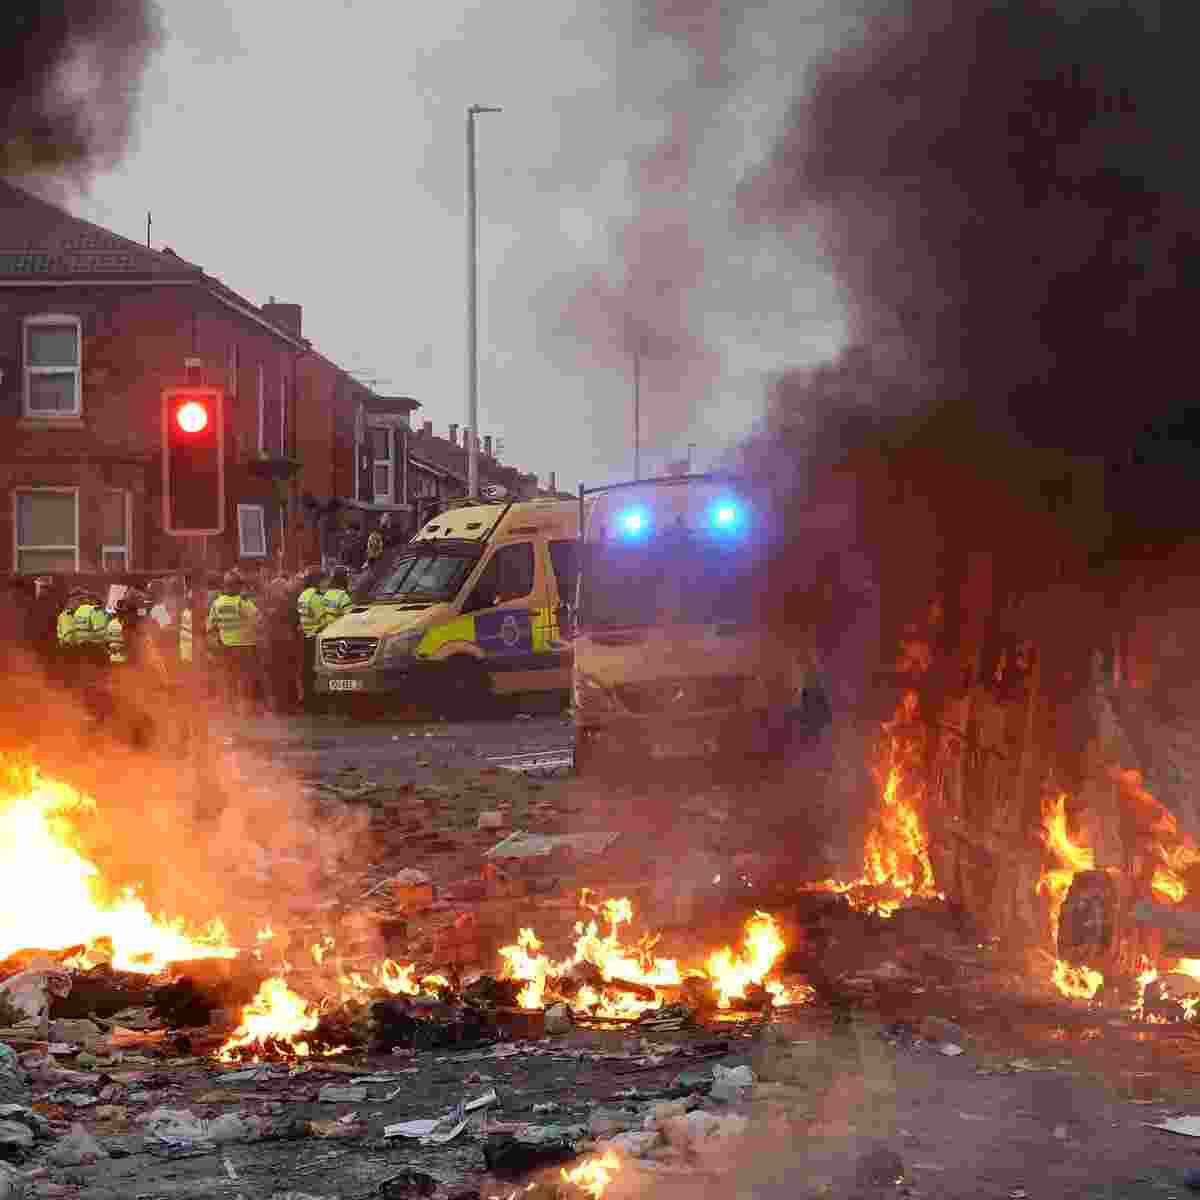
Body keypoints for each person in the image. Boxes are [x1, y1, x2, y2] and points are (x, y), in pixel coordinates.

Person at [206, 569, 260, 719]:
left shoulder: (217, 603)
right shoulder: (242, 601)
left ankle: (230, 710)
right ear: (237, 586)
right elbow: (258, 619)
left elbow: (210, 626)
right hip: (244, 646)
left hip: (225, 647)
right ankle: (246, 711)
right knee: (245, 680)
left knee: (229, 680)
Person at [296, 566, 325, 710]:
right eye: (322, 580)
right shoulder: (316, 597)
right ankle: (316, 703)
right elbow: (324, 620)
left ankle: (307, 700)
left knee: (306, 671)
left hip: (306, 636)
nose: (324, 583)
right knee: (316, 672)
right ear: (316, 581)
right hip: (316, 636)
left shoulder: (302, 596)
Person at [319, 566, 354, 633]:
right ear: (343, 579)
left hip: (326, 632)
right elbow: (351, 619)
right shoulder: (343, 597)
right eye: (348, 578)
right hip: (339, 632)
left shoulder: (326, 595)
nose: (350, 580)